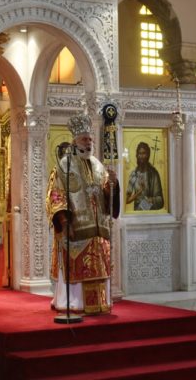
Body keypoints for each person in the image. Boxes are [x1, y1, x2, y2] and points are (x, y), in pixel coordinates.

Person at [46, 113, 120, 314]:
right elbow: (56, 195)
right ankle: (73, 302)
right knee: (77, 267)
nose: (88, 143)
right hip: (76, 228)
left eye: (90, 139)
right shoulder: (64, 165)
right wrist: (64, 221)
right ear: (75, 141)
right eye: (84, 139)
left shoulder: (97, 165)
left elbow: (106, 194)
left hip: (98, 229)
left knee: (98, 267)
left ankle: (99, 303)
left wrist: (112, 185)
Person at [126, 142, 164, 210]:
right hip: (137, 212)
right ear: (137, 155)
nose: (141, 156)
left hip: (151, 212)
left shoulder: (154, 174)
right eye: (139, 153)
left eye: (144, 153)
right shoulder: (134, 174)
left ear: (148, 155)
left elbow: (160, 200)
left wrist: (150, 200)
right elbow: (127, 200)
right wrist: (139, 192)